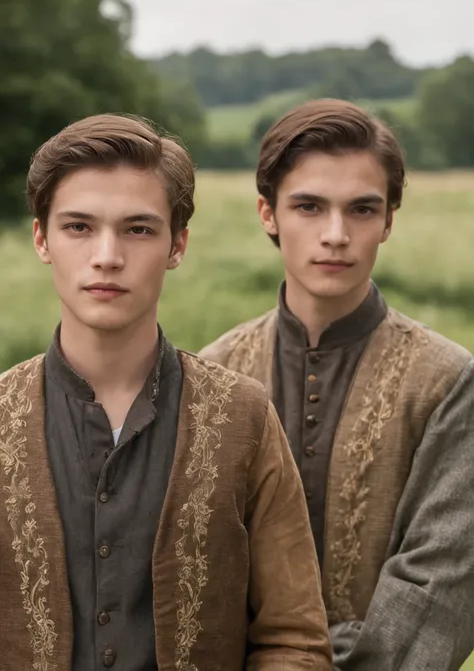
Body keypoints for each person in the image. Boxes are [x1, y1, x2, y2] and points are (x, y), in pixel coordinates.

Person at [0, 113, 332, 671]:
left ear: (177, 244)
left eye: (138, 228)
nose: (107, 255)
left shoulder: (243, 418)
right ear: (42, 238)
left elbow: (294, 639)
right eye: (79, 226)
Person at [199, 99, 474, 671]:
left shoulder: (447, 380)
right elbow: (196, 574)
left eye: (362, 210)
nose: (335, 234)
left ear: (388, 222)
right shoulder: (213, 374)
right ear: (267, 213)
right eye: (308, 206)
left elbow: (440, 584)